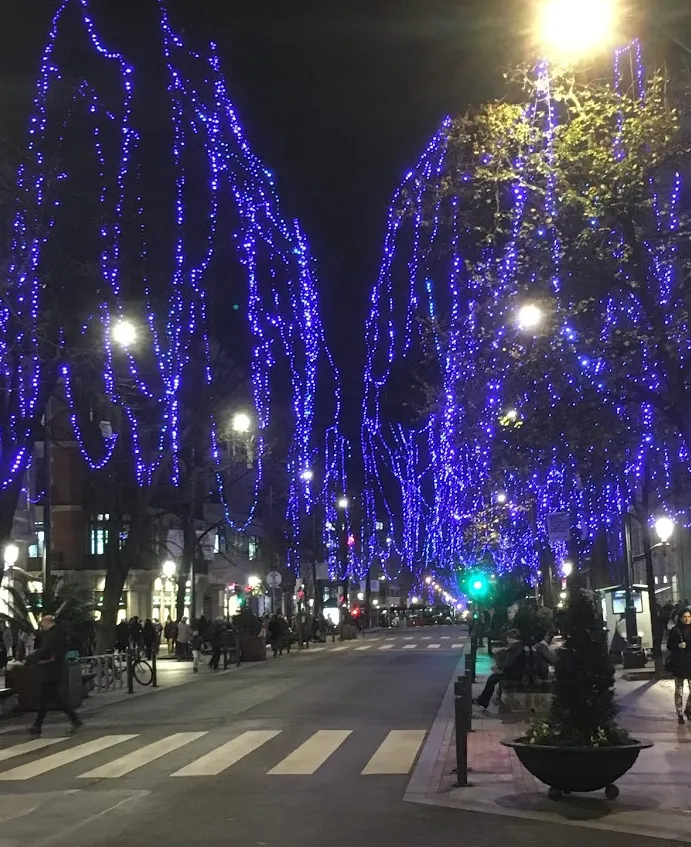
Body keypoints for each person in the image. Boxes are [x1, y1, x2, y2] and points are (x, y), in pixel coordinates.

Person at [26, 616, 82, 735]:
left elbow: (46, 650)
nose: (42, 626)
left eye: (42, 624)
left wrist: (32, 658)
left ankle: (37, 725)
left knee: (47, 698)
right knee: (52, 698)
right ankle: (73, 719)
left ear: (47, 622)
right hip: (55, 668)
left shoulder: (51, 635)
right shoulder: (59, 634)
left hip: (50, 669)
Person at [473, 629, 525, 710]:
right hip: (513, 671)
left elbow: (510, 663)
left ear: (510, 638)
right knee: (492, 678)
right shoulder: (517, 646)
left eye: (507, 638)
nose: (506, 640)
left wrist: (500, 668)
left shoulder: (516, 648)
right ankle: (482, 701)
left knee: (492, 679)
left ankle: (483, 701)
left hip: (514, 673)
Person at [667, 608, 691, 724]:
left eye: (689, 617)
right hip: (679, 664)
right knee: (679, 690)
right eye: (685, 617)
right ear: (680, 618)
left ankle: (689, 709)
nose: (687, 619)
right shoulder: (675, 630)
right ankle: (680, 713)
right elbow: (669, 646)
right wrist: (678, 645)